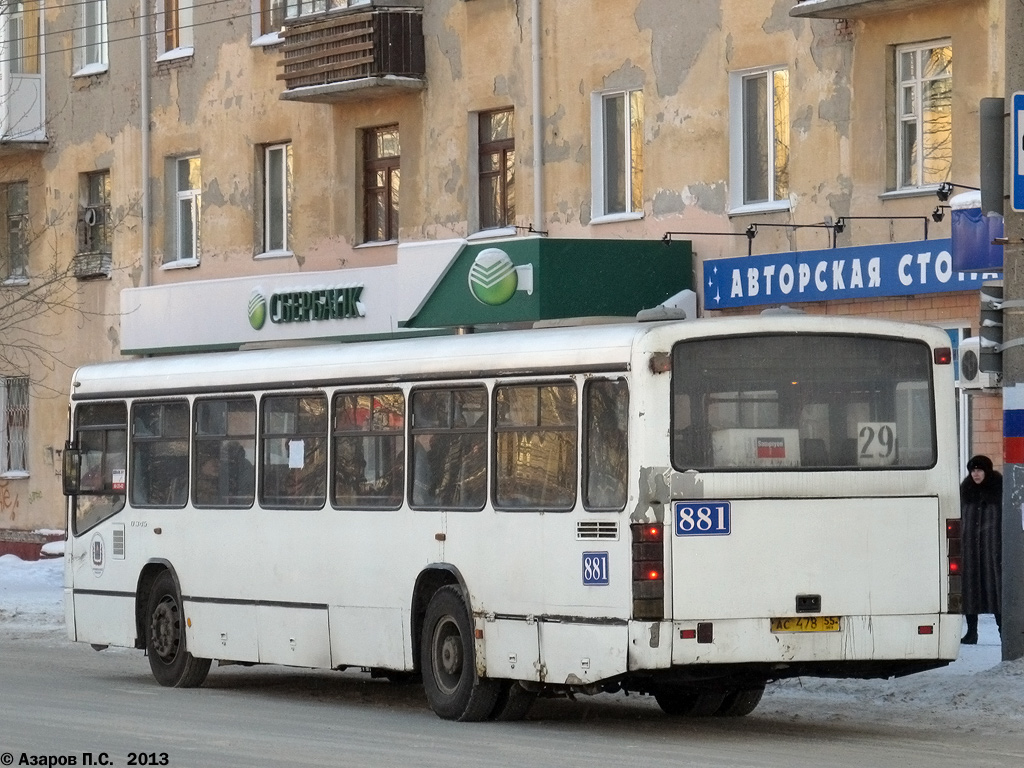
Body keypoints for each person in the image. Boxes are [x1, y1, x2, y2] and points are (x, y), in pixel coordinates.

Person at [959, 455, 1002, 644]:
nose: (975, 474)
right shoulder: (966, 491)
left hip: (993, 549)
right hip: (970, 550)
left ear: (987, 471)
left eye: (979, 470)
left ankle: (1004, 631)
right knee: (970, 590)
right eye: (973, 470)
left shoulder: (998, 489)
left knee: (995, 590)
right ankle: (972, 632)